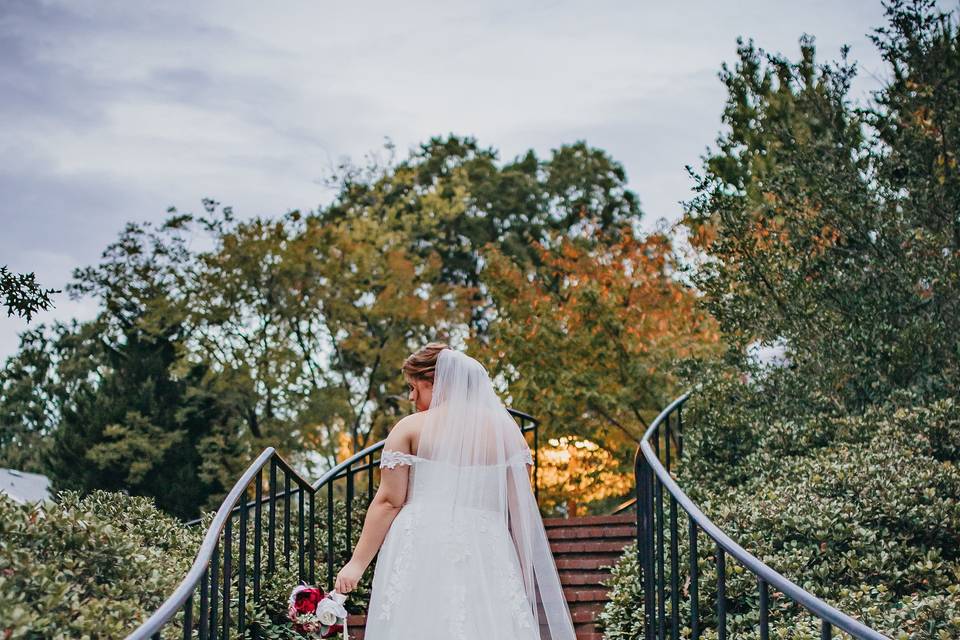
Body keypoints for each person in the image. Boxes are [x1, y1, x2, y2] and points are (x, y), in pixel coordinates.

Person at [334, 342, 577, 640]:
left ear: (435, 382)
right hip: (488, 546)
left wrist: (356, 564)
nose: (411, 397)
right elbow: (522, 513)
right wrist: (521, 572)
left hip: (423, 543)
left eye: (414, 387)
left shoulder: (409, 428)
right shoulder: (509, 435)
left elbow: (388, 502)